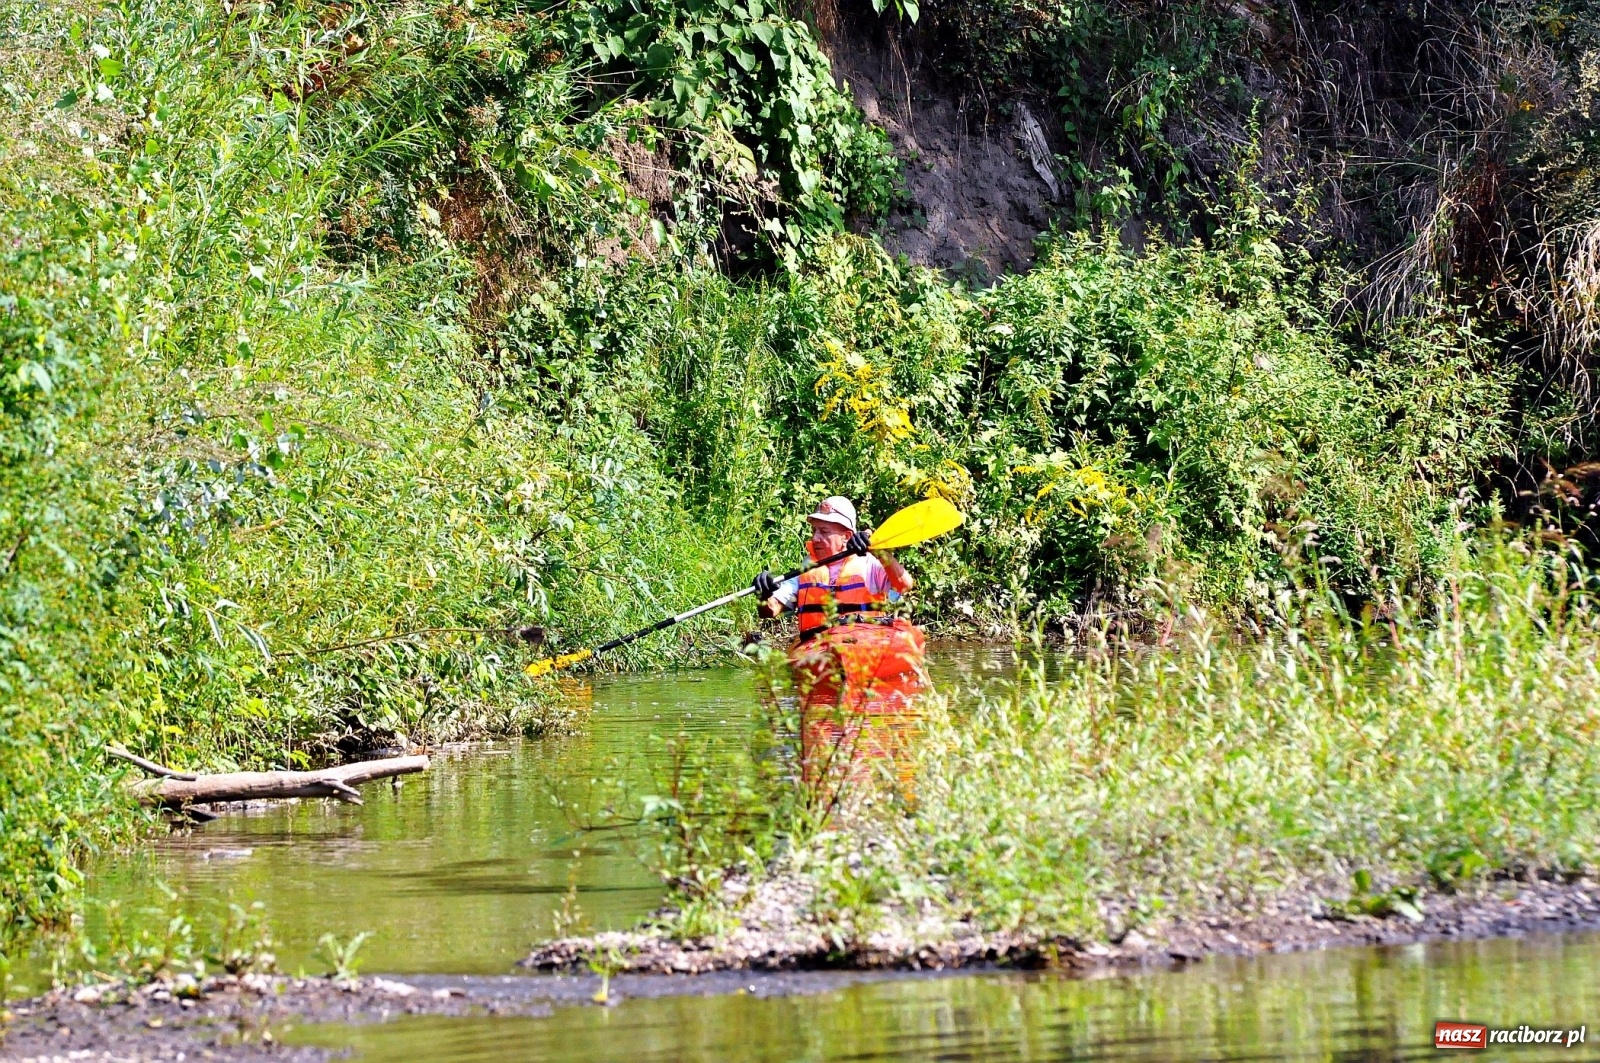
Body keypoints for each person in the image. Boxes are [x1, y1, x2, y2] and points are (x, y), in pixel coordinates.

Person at [751, 496, 914, 638]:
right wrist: (763, 595)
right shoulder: (806, 568)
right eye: (814, 530)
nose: (815, 538)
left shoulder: (868, 563)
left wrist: (879, 551)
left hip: (866, 641)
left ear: (846, 537)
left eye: (824, 531)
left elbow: (904, 585)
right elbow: (769, 611)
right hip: (817, 646)